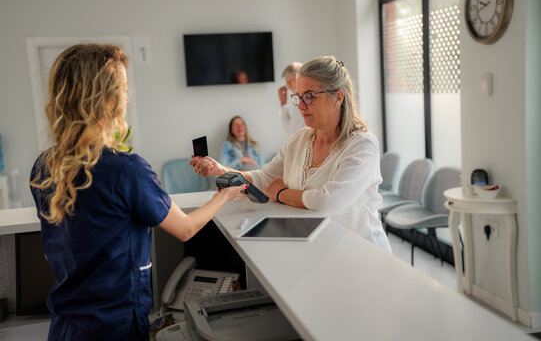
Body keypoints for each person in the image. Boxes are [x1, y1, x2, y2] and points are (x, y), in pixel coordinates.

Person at [29, 44, 248, 341]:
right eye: (123, 89)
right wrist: (223, 195)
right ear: (106, 100)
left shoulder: (43, 166)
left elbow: (57, 247)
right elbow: (184, 229)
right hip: (114, 328)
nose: (128, 98)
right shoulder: (125, 170)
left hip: (64, 327)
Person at [192, 56, 391, 253]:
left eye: (310, 96)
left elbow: (327, 201)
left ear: (338, 97)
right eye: (298, 96)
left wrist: (280, 193)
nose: (301, 105)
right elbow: (263, 179)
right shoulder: (299, 140)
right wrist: (220, 170)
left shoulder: (362, 145)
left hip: (361, 252)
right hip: (317, 250)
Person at [278, 62, 305, 136]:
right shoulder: (310, 96)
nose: (288, 87)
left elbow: (292, 132)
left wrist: (283, 104)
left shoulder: (301, 102)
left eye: (287, 84)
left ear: (293, 82)